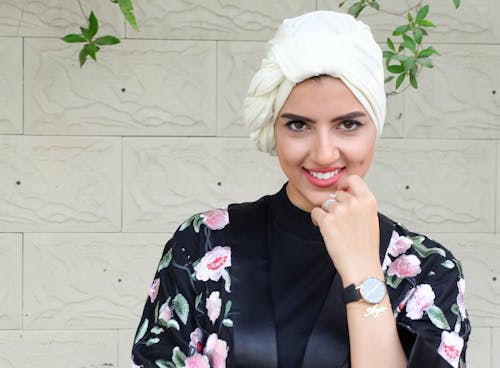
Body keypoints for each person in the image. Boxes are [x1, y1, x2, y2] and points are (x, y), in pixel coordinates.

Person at [131, 10, 470, 368]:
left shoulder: (428, 272)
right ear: (273, 129)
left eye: (348, 124)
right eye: (298, 125)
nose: (324, 153)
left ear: (375, 127)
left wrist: (362, 273)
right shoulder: (203, 243)